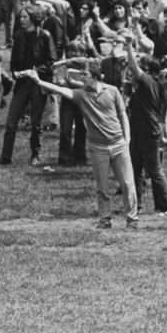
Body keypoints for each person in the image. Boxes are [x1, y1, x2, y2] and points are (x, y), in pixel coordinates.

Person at [27, 59, 139, 229]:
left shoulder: (113, 91)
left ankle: (132, 219)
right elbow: (62, 91)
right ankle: (105, 219)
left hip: (118, 144)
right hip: (98, 147)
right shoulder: (81, 94)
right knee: (102, 187)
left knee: (128, 184)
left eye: (84, 74)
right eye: (81, 75)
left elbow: (122, 114)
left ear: (95, 75)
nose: (81, 78)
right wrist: (39, 81)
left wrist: (127, 138)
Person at [0, 6, 56, 166]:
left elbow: (52, 61)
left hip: (38, 84)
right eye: (20, 17)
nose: (22, 20)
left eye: (24, 17)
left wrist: (34, 71)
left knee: (36, 123)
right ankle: (5, 156)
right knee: (11, 121)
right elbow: (14, 59)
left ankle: (35, 154)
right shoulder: (18, 35)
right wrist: (15, 72)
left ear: (33, 18)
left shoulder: (44, 35)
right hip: (22, 84)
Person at [123, 37, 167, 215]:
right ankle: (135, 206)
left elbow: (133, 67)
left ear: (147, 70)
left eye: (140, 66)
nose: (133, 71)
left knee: (154, 170)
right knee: (136, 169)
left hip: (149, 130)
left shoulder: (149, 82)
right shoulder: (142, 86)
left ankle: (166, 207)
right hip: (137, 130)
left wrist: (129, 46)